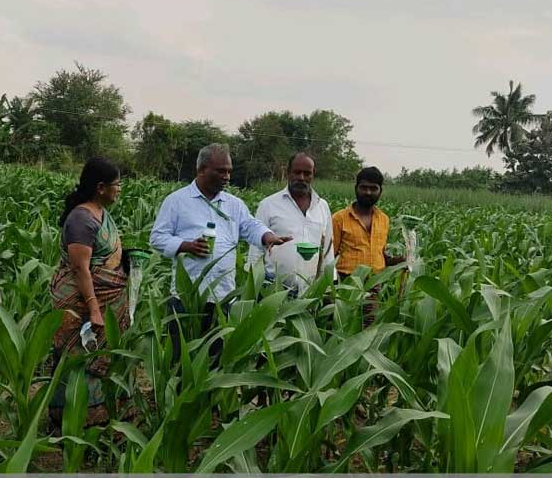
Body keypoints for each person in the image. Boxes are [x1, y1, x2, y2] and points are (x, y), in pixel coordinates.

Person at [149, 143, 289, 357]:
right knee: (181, 360)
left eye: (229, 171)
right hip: (187, 298)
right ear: (202, 169)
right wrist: (186, 246)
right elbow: (157, 238)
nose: (227, 176)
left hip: (222, 297)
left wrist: (267, 236)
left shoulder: (234, 204)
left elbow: (250, 226)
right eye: (221, 171)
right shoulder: (177, 201)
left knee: (215, 359)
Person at [49, 157, 127, 426]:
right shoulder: (81, 219)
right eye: (117, 185)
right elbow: (80, 269)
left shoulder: (101, 214)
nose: (120, 189)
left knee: (97, 358)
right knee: (75, 358)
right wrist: (94, 308)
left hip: (103, 299)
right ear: (101, 187)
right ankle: (70, 417)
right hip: (80, 302)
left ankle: (97, 415)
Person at [247, 153, 335, 295]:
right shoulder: (268, 205)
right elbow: (256, 249)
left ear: (313, 175)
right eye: (297, 172)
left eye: (307, 173)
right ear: (288, 173)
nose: (301, 177)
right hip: (273, 291)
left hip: (311, 291)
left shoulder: (322, 207)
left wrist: (329, 285)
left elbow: (327, 250)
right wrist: (253, 285)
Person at [332, 166, 405, 322]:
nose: (368, 192)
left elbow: (380, 254)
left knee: (367, 330)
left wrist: (400, 261)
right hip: (346, 284)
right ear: (356, 188)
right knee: (342, 327)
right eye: (363, 187)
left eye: (373, 188)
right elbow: (329, 257)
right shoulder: (339, 219)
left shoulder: (383, 219)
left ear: (380, 191)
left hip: (373, 286)